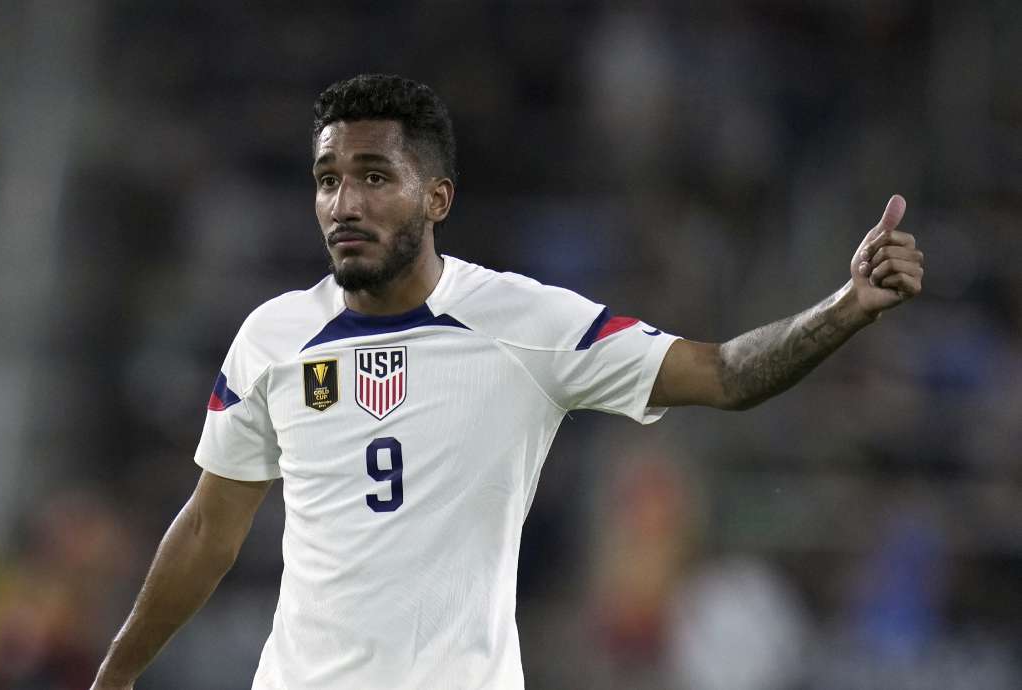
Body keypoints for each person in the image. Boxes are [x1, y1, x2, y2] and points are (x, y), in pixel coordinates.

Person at [90, 74, 924, 690]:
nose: (345, 202)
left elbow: (726, 373)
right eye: (328, 179)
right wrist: (117, 675)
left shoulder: (524, 324)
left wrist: (847, 306)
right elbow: (208, 530)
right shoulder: (271, 338)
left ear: (437, 196)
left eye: (375, 176)